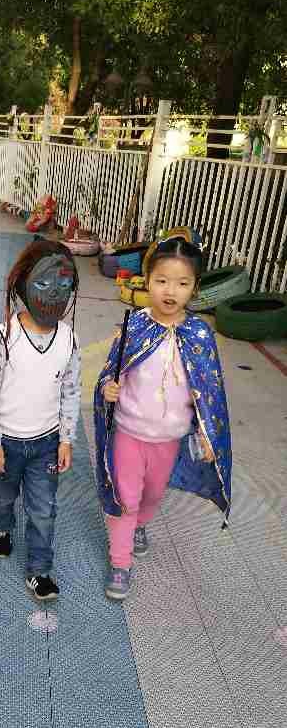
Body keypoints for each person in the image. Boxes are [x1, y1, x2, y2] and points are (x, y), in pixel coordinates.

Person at [94, 235, 232, 600]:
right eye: (162, 281)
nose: (171, 291)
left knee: (153, 493)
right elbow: (111, 372)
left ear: (195, 288)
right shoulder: (134, 325)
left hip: (169, 439)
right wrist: (108, 387)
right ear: (147, 281)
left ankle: (140, 524)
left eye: (182, 283)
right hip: (128, 431)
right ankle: (120, 563)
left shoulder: (200, 334)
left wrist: (208, 434)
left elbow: (210, 393)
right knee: (126, 497)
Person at [0, 238, 82, 601]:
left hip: (46, 445)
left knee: (43, 511)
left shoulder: (68, 339)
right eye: (43, 283)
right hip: (6, 442)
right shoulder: (4, 337)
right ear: (23, 284)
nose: (54, 294)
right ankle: (1, 526)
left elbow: (72, 390)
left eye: (64, 285)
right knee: (2, 495)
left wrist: (66, 439)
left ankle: (39, 570)